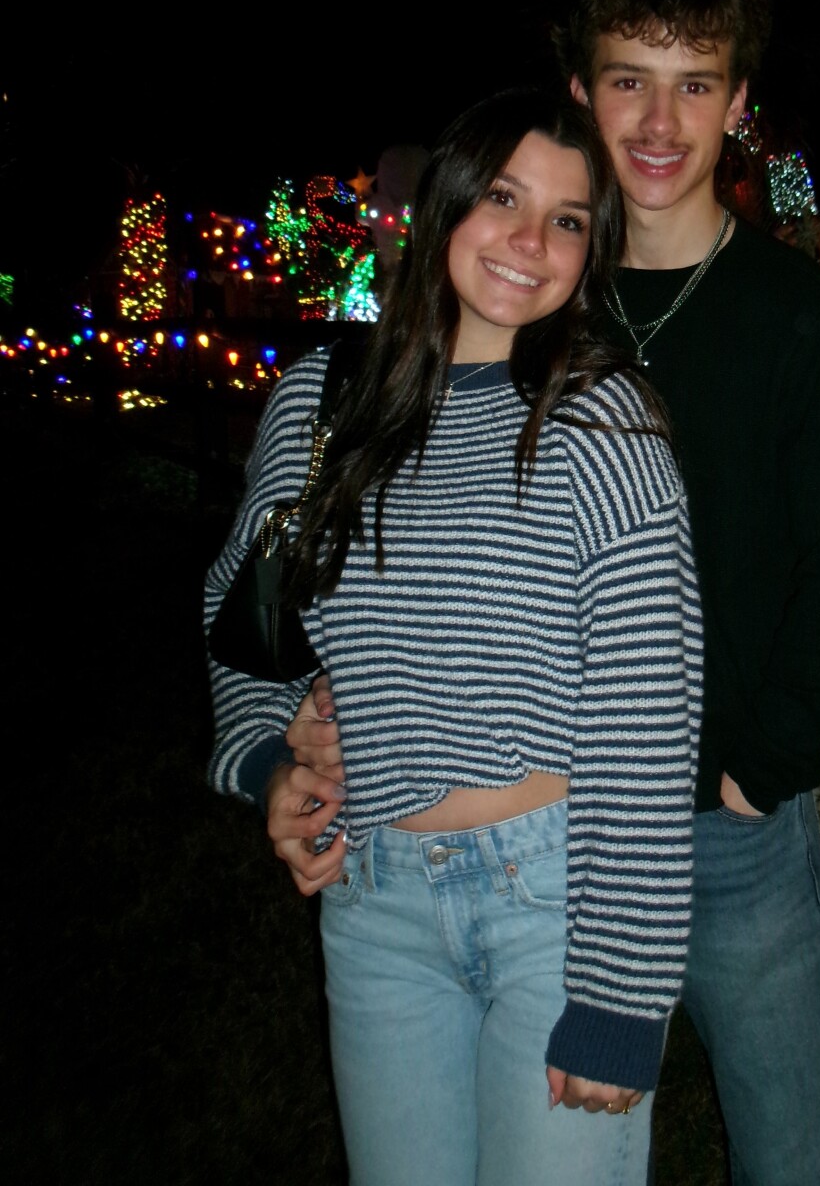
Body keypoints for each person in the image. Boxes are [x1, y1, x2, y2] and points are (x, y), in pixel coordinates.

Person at [289, 0, 820, 1184]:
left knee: (792, 1141)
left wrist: (759, 765)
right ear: (580, 89)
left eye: (695, 83)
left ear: (738, 101)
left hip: (725, 818)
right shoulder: (528, 289)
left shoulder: (801, 321)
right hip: (548, 829)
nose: (660, 121)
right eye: (629, 80)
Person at [205, 89, 704, 1186]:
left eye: (568, 220)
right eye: (503, 199)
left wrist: (621, 995)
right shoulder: (322, 401)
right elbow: (243, 619)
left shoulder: (604, 421)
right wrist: (269, 759)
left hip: (557, 908)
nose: (531, 241)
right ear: (445, 204)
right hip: (372, 905)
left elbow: (647, 718)